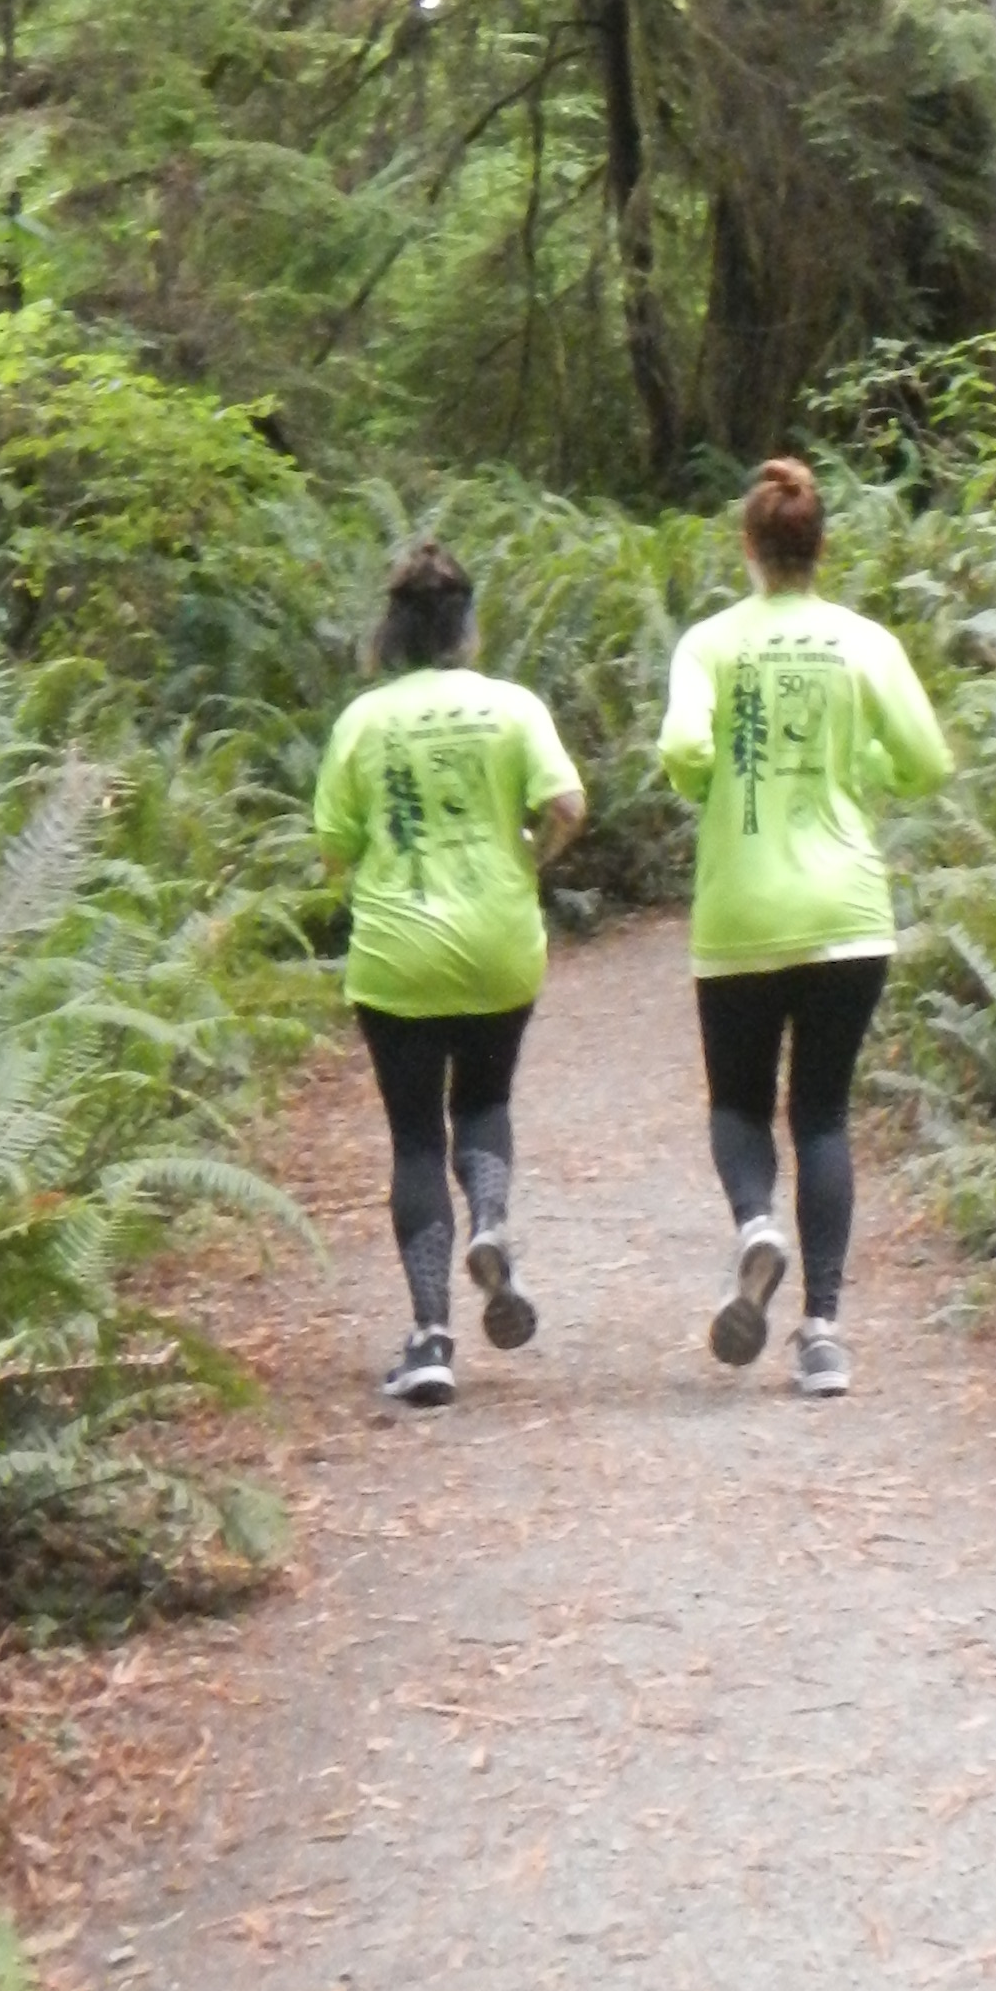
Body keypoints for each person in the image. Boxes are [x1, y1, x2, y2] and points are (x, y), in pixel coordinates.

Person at [658, 454, 952, 1400]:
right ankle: (822, 1335)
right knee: (822, 1116)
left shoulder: (710, 644)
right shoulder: (862, 641)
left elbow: (685, 749)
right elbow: (927, 763)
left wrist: (709, 784)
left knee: (739, 1106)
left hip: (741, 908)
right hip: (847, 913)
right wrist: (861, 759)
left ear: (748, 546)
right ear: (821, 547)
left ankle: (755, 1224)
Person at [312, 537, 586, 1410]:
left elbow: (332, 852)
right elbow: (570, 806)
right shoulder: (511, 707)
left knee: (416, 1139)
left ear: (389, 632)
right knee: (485, 1104)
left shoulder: (362, 721)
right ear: (467, 624)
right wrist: (529, 861)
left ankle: (431, 1340)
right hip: (500, 941)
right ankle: (494, 1223)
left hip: (398, 953)